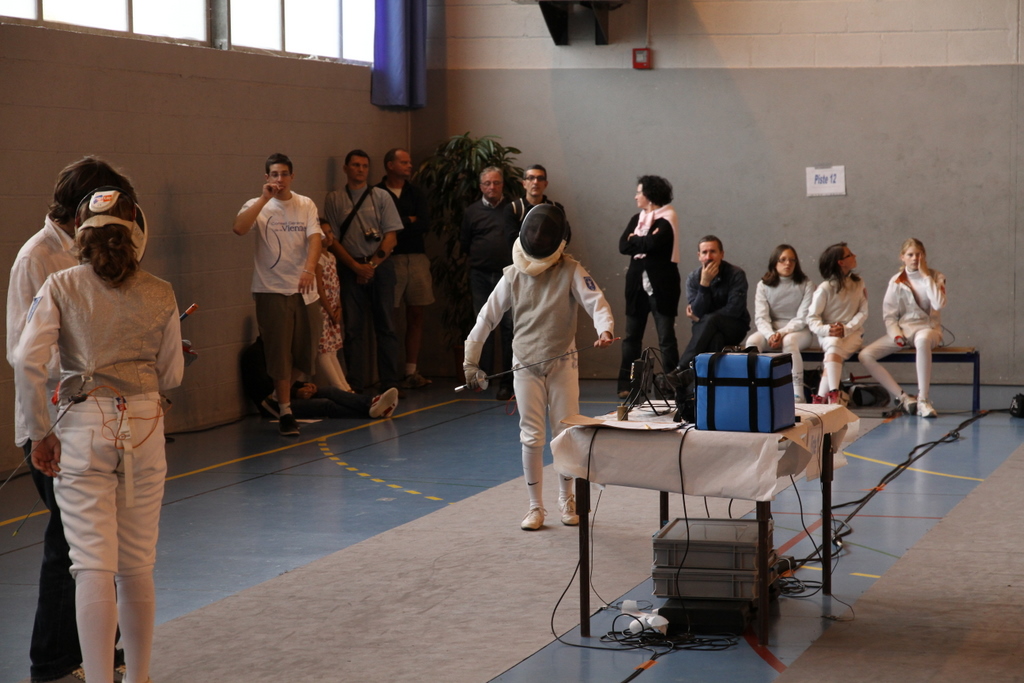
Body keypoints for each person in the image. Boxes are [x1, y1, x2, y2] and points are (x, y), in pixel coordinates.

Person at [14, 187, 184, 683]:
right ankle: (139, 676)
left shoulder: (60, 285)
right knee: (137, 564)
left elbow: (26, 360)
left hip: (83, 426)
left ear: (81, 235)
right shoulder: (162, 291)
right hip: (146, 424)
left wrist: (40, 433)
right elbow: (172, 373)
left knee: (91, 564)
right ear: (134, 234)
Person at [6, 157, 133, 683]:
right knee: (71, 544)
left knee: (104, 539)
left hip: (97, 417)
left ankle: (103, 648)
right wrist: (42, 432)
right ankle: (53, 664)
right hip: (55, 422)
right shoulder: (36, 257)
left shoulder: (95, 248)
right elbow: (25, 353)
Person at [464, 204, 614, 531]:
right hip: (525, 363)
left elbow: (596, 301)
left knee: (565, 433)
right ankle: (535, 507)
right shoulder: (513, 274)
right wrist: (470, 359)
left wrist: (605, 329)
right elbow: (487, 317)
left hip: (563, 361)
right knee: (531, 436)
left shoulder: (570, 269)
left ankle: (566, 499)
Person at [233, 153, 322, 437]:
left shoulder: (305, 203)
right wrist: (263, 199)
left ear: (292, 176)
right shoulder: (257, 205)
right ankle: (285, 411)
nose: (279, 179)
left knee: (307, 352)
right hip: (271, 288)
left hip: (305, 291)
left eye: (284, 174)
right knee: (279, 353)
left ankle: (274, 397)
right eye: (274, 174)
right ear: (267, 177)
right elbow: (239, 228)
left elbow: (315, 238)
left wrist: (309, 269)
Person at [324, 149, 404, 395]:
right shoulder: (335, 199)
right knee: (353, 329)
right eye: (356, 165)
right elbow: (332, 241)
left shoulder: (381, 196)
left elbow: (391, 237)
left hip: (380, 267)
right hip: (350, 268)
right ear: (346, 169)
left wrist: (371, 266)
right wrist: (355, 266)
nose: (360, 170)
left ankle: (390, 383)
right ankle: (356, 384)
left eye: (364, 166)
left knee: (386, 326)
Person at [858, 238, 946, 417]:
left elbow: (939, 303)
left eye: (918, 254)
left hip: (929, 329)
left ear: (924, 256)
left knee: (922, 339)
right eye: (910, 255)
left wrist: (926, 276)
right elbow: (889, 316)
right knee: (865, 355)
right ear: (902, 257)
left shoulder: (936, 276)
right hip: (905, 332)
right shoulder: (896, 281)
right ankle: (904, 398)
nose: (915, 258)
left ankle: (923, 400)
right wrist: (896, 335)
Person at [617, 175, 681, 399]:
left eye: (639, 192)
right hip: (636, 285)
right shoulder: (637, 218)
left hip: (662, 286)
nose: (636, 196)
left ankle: (672, 385)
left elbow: (653, 243)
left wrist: (635, 240)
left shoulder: (667, 218)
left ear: (650, 195)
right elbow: (622, 245)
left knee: (666, 338)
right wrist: (639, 241)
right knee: (631, 338)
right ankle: (627, 384)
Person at [376, 148, 434, 390]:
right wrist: (408, 220)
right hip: (391, 259)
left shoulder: (415, 192)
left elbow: (425, 224)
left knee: (416, 313)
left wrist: (401, 223)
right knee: (389, 316)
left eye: (410, 162)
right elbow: (381, 226)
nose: (410, 165)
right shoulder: (377, 193)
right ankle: (388, 374)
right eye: (404, 162)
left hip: (417, 258)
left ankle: (411, 370)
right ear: (390, 165)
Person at [241, 338, 398, 420]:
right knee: (325, 404)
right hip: (271, 405)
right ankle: (372, 412)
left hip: (287, 393)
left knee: (329, 390)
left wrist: (305, 385)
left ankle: (371, 402)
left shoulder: (276, 352)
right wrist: (296, 392)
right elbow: (265, 388)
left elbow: (284, 378)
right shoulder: (255, 355)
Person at [461, 166, 515, 401]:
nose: (492, 187)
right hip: (481, 276)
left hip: (509, 277)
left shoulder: (512, 209)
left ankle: (507, 383)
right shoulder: (472, 211)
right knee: (484, 325)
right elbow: (465, 243)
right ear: (480, 186)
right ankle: (484, 379)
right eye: (487, 183)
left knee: (509, 329)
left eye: (496, 183)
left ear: (502, 185)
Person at [744, 244, 816, 402]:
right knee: (752, 342)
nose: (788, 263)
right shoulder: (763, 285)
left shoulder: (806, 284)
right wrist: (770, 334)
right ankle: (752, 388)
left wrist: (781, 333)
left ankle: (797, 393)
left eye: (792, 260)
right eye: (783, 259)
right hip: (771, 331)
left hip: (799, 332)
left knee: (789, 341)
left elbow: (803, 317)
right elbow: (761, 317)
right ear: (774, 262)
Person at [807, 242, 868, 404]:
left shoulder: (859, 283)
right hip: (828, 335)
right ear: (841, 262)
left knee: (832, 355)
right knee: (834, 344)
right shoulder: (825, 288)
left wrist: (846, 329)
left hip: (853, 334)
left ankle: (821, 398)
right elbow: (812, 319)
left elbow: (863, 312)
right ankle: (834, 393)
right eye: (850, 255)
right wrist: (828, 330)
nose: (854, 256)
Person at [313, 222, 351, 392]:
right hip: (323, 310)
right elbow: (320, 288)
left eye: (330, 232)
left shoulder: (332, 257)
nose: (329, 237)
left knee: (333, 349)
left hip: (333, 309)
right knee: (324, 350)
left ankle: (345, 387)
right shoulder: (317, 258)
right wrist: (329, 311)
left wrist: (339, 308)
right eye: (324, 233)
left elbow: (336, 285)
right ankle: (340, 388)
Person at [506, 164, 571, 246]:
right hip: (520, 253)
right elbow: (512, 239)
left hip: (550, 253)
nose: (536, 182)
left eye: (540, 178)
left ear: (545, 184)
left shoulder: (556, 209)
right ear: (524, 184)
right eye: (531, 178)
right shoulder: (513, 209)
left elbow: (565, 235)